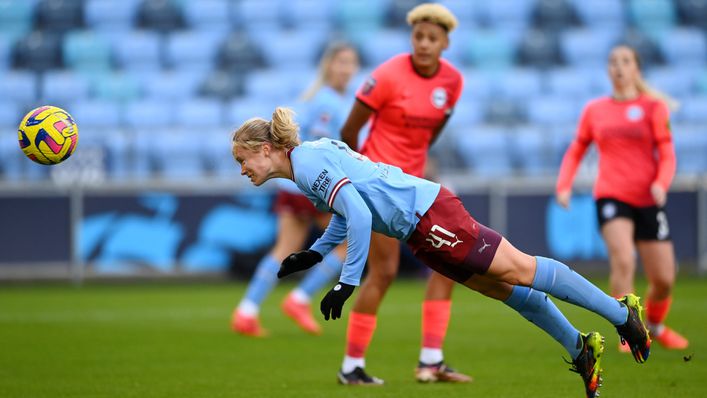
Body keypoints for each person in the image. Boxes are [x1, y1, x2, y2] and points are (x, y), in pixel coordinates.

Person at [230, 107, 652, 398]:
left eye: (241, 159)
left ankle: (622, 313)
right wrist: (318, 253)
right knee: (504, 289)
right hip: (418, 230)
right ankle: (580, 348)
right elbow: (348, 211)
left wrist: (346, 283)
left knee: (520, 269)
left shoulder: (306, 164)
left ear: (264, 148)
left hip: (430, 214)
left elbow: (358, 216)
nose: (242, 169)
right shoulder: (306, 165)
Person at [338, 3, 468, 384]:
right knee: (384, 273)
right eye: (418, 37)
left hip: (416, 188)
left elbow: (432, 132)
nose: (424, 44)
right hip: (379, 185)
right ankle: (351, 367)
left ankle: (430, 361)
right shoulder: (387, 76)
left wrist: (418, 163)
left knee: (450, 263)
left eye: (432, 38)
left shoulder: (453, 82)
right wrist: (365, 174)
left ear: (445, 42)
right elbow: (349, 130)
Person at [555, 45, 688, 351]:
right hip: (611, 195)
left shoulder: (654, 108)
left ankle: (654, 326)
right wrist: (564, 185)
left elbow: (667, 153)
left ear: (636, 69)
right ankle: (628, 332)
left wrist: (661, 183)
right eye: (613, 61)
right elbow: (577, 149)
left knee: (665, 278)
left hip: (648, 198)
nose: (618, 66)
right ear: (608, 70)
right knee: (624, 259)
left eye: (625, 61)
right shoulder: (595, 109)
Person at [231, 43, 360, 337]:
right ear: (328, 66)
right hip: (311, 182)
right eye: (340, 62)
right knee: (347, 242)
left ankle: (247, 310)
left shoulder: (324, 98)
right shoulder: (328, 102)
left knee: (284, 248)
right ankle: (299, 299)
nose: (346, 69)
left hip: (294, 182)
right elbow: (317, 145)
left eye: (351, 63)